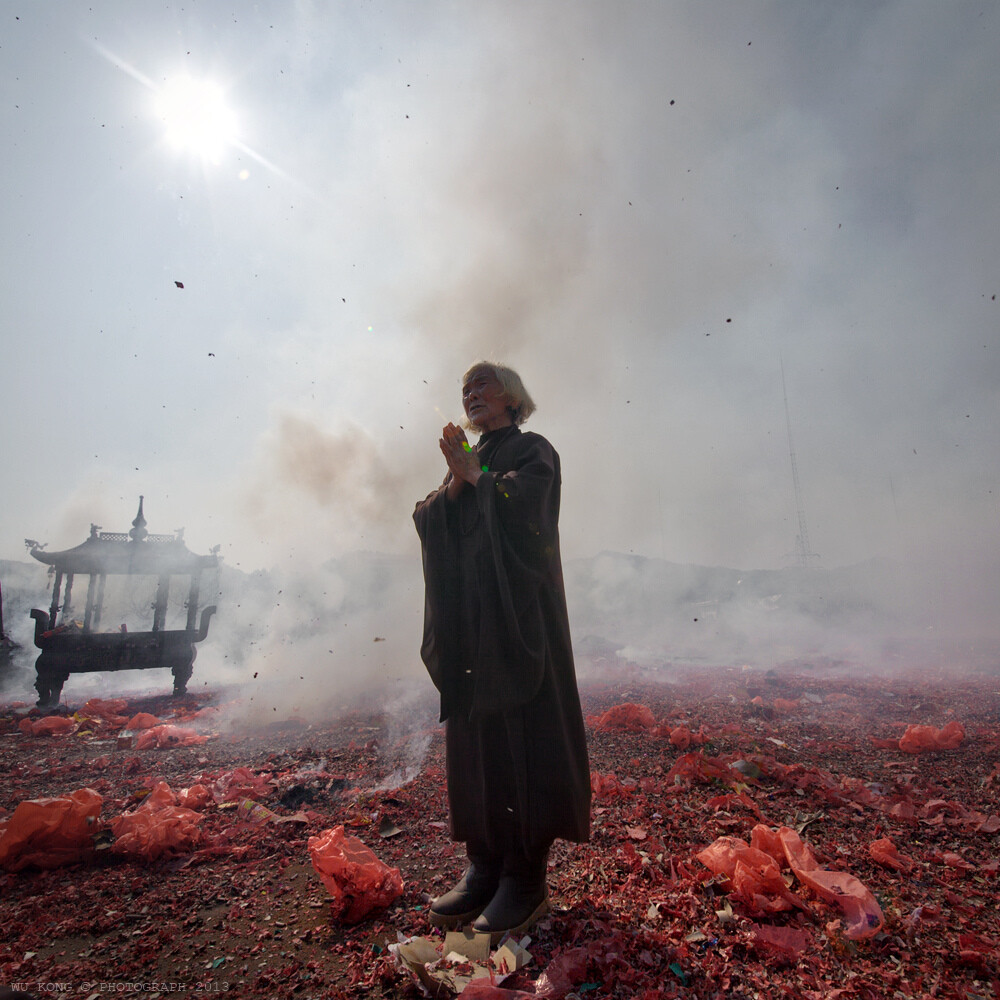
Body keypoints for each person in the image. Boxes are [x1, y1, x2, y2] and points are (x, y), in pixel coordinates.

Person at [413, 361, 591, 942]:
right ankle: (484, 866)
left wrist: (479, 476)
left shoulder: (533, 449)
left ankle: (525, 877)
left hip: (518, 631)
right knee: (475, 746)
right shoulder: (466, 461)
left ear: (512, 398)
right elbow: (428, 516)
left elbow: (529, 513)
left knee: (522, 741)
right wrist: (459, 482)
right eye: (465, 388)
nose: (471, 394)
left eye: (482, 385)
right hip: (470, 631)